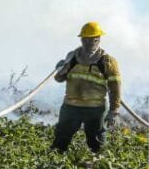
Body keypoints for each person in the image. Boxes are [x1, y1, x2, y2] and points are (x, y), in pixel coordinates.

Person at [51, 21, 121, 153]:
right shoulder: (72, 56)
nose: (88, 43)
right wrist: (61, 69)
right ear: (81, 39)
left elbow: (115, 88)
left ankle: (98, 164)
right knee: (60, 140)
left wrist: (113, 110)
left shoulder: (107, 62)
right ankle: (54, 161)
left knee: (96, 144)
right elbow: (59, 79)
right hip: (71, 107)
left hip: (95, 109)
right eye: (85, 39)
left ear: (98, 39)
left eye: (92, 40)